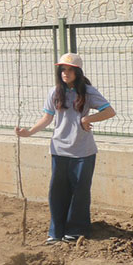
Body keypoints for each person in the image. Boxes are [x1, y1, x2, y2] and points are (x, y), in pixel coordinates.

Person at [16, 52, 116, 245]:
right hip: (59, 150)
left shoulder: (87, 91)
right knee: (57, 191)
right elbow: (47, 118)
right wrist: (29, 132)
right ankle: (56, 231)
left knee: (79, 191)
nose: (65, 73)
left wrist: (88, 118)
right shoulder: (55, 92)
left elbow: (109, 111)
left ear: (78, 72)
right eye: (63, 69)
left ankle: (76, 230)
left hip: (83, 152)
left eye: (70, 70)